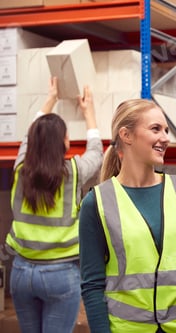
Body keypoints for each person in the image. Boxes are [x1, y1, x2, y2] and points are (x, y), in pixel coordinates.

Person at [79, 99, 176, 333]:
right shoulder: (97, 202)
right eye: (155, 129)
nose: (165, 138)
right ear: (126, 135)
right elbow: (92, 285)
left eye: (166, 130)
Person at [6, 76, 103, 333]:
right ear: (63, 142)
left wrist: (50, 99)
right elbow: (96, 152)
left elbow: (29, 137)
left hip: (21, 272)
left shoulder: (20, 168)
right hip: (60, 275)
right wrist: (89, 113)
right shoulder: (74, 171)